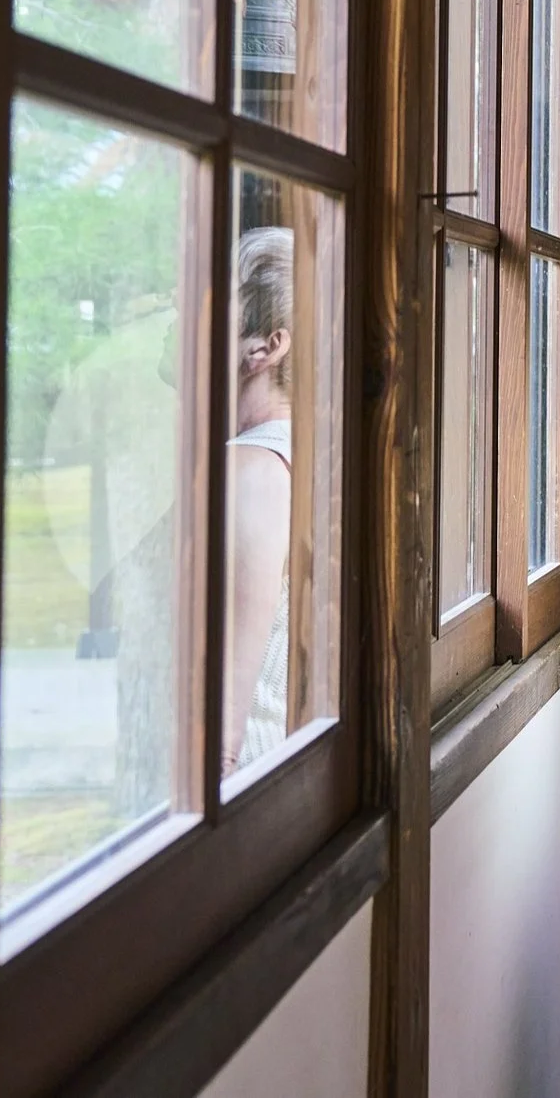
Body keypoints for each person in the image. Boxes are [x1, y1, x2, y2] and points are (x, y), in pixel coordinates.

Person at [224, 225, 295, 776]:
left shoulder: (252, 469)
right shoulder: (302, 455)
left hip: (233, 779)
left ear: (266, 346)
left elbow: (230, 704)